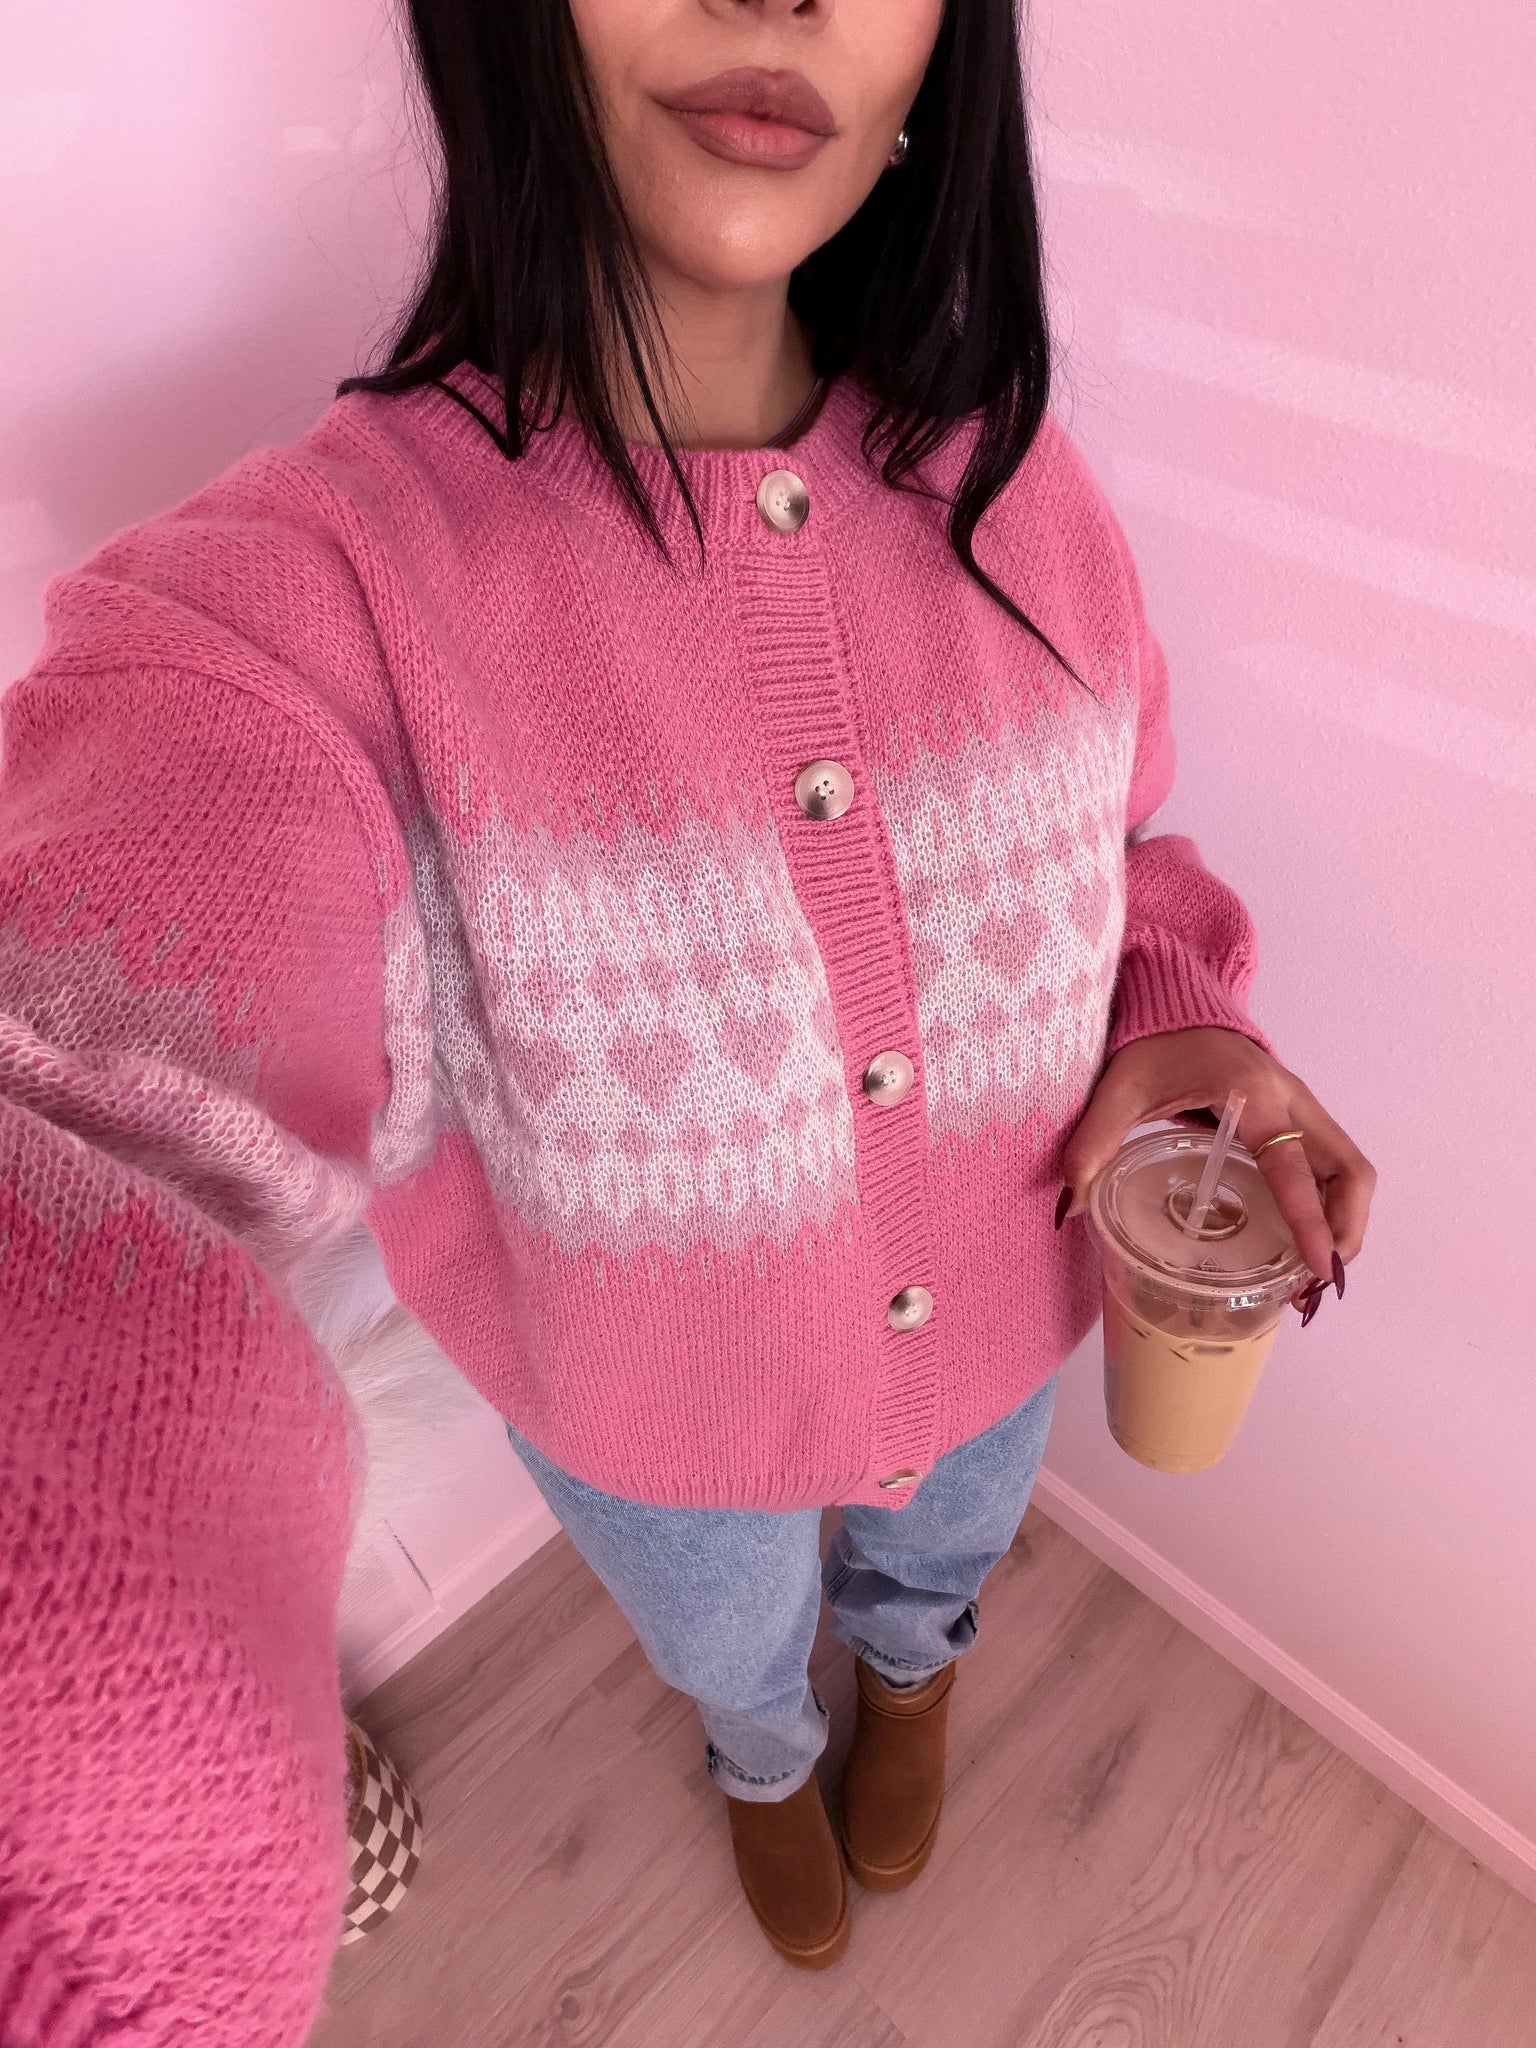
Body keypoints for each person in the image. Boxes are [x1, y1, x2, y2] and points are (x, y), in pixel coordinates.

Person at [0, 0, 1376, 2033]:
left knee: (944, 1550)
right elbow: (87, 1081)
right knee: (725, 1636)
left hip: (1007, 1311)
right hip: (643, 1418)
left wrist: (1180, 1019)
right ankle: (761, 1758)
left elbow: (1124, 847)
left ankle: (913, 1676)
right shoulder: (318, 597)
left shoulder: (1020, 489)